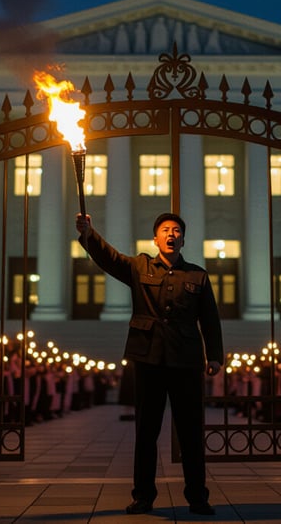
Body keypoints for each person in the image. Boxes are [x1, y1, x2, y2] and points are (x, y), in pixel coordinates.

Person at [76, 211, 223, 516]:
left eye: (177, 231)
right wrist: (89, 235)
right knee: (146, 432)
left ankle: (197, 496)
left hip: (185, 360)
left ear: (183, 239)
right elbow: (110, 258)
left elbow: (210, 319)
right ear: (156, 238)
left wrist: (216, 355)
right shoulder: (139, 266)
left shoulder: (198, 275)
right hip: (149, 358)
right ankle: (143, 496)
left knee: (191, 432)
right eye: (166, 230)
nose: (172, 234)